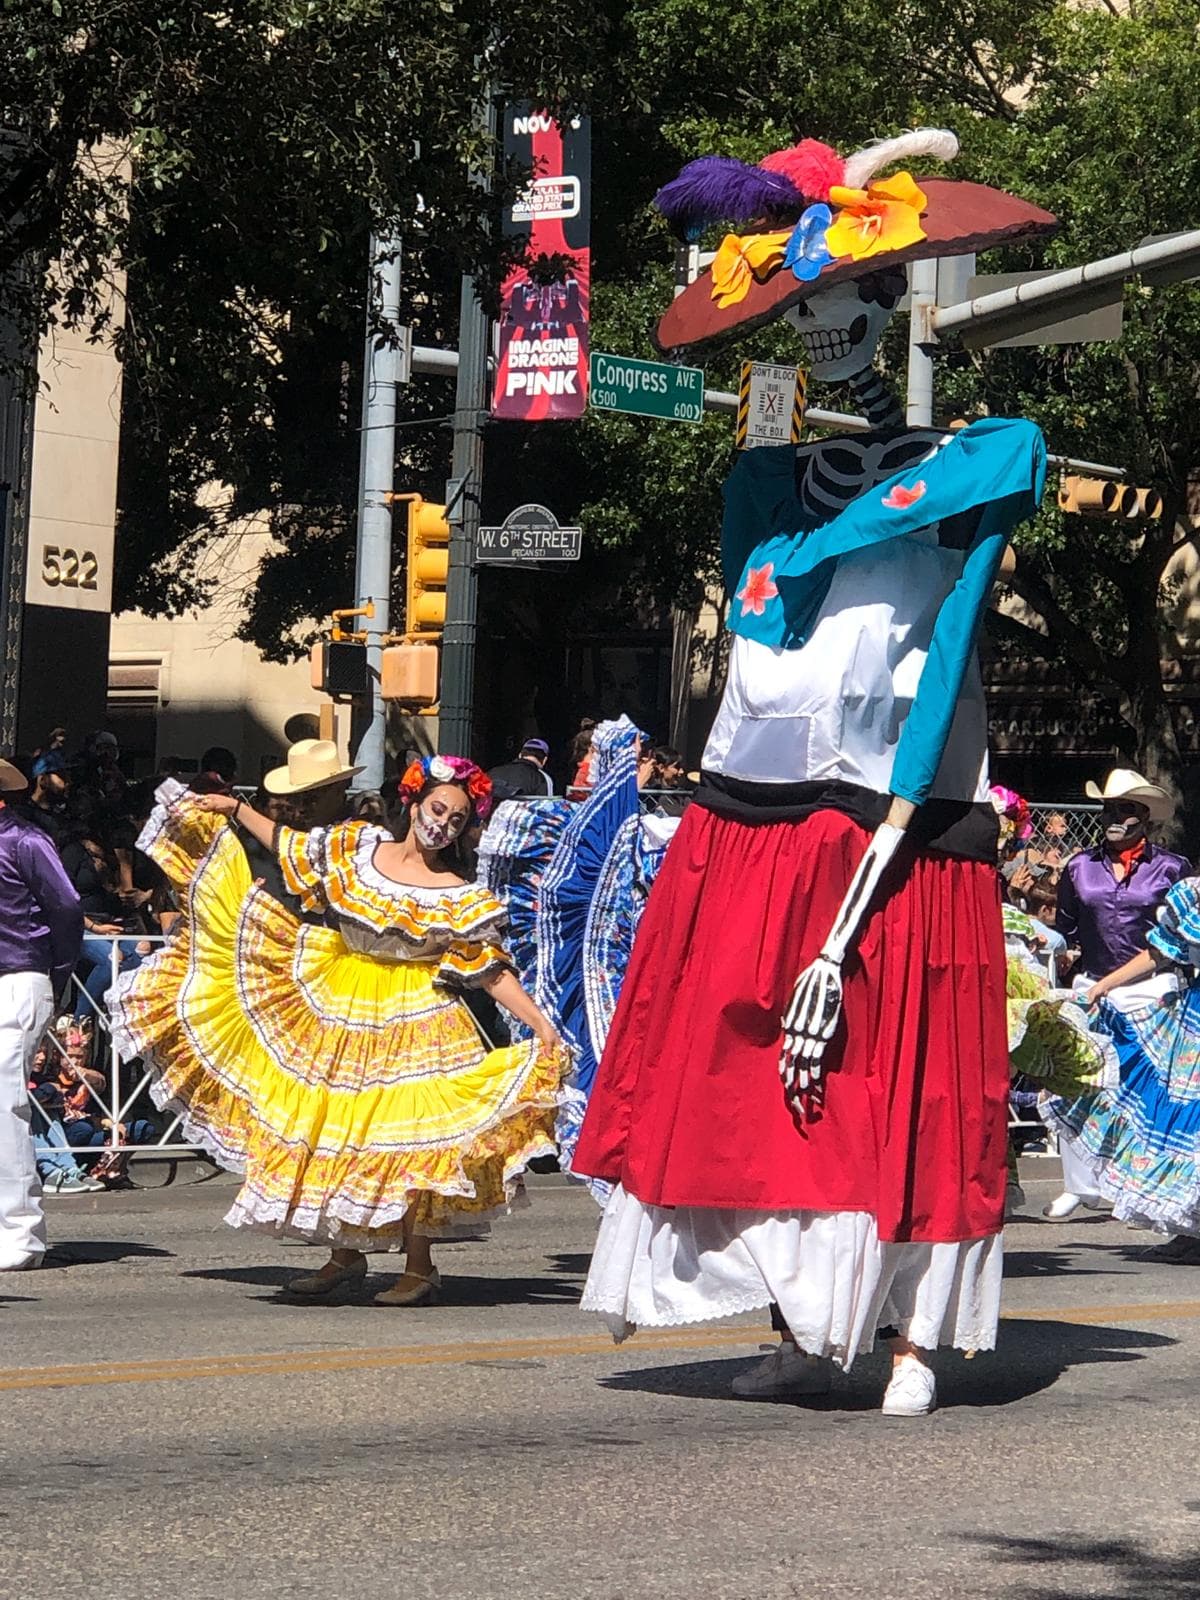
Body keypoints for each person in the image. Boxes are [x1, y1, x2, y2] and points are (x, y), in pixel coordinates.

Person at [572, 123, 1057, 1416]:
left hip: (904, 815)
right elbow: (764, 628)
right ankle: (798, 1319)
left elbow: (954, 570)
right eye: (806, 308)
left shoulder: (976, 457)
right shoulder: (767, 478)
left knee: (904, 1079)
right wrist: (796, 509)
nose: (827, 328)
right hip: (762, 806)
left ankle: (908, 1339)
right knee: (753, 1078)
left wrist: (844, 512)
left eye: (847, 300)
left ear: (891, 303)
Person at [109, 749, 565, 1304]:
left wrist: (540, 1023)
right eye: (437, 809)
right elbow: (288, 845)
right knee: (332, 1132)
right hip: (334, 999)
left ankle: (420, 1268)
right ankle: (344, 1255)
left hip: (415, 1018)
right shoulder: (358, 848)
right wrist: (235, 807)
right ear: (415, 801)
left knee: (413, 1140)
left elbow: (489, 971)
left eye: (457, 819)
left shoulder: (461, 897)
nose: (441, 824)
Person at [1046, 767, 1190, 1220]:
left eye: (1124, 810)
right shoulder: (1078, 867)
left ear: (1143, 818)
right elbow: (1066, 927)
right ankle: (1080, 1184)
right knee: (1077, 1080)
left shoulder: (1172, 869)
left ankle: (1138, 1182)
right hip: (1094, 987)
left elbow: (1175, 938)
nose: (1113, 818)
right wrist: (1062, 954)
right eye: (1109, 809)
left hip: (1153, 989)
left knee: (1148, 1093)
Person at [1043, 879, 1200, 1252]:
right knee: (1185, 1122)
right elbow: (1160, 952)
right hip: (1194, 1024)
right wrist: (1104, 986)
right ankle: (1191, 1229)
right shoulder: (1194, 894)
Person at [0, 756, 83, 1270]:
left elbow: (67, 907)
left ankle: (21, 1232)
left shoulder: (24, 840)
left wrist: (59, 972)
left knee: (4, 1101)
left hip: (18, 976)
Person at [488, 738, 555, 799]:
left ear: (520, 755)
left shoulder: (492, 772)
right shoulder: (542, 778)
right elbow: (546, 808)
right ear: (545, 760)